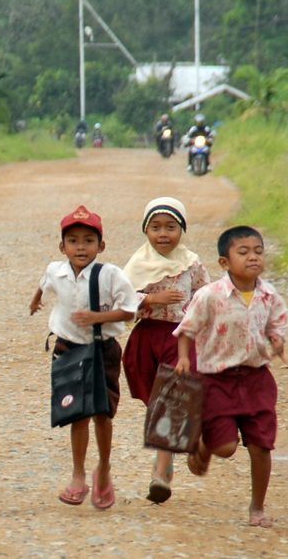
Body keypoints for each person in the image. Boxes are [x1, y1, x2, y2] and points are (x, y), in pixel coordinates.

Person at [174, 225, 288, 528]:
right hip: (217, 380)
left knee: (261, 444)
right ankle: (203, 445)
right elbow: (186, 329)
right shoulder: (209, 296)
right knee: (225, 448)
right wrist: (185, 358)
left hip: (256, 378)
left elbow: (277, 324)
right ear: (224, 262)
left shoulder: (268, 295)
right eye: (243, 252)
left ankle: (257, 508)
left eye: (258, 251)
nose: (253, 257)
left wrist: (277, 340)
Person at [29, 205, 138, 510]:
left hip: (103, 349)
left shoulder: (111, 275)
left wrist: (96, 317)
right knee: (78, 413)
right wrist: (35, 300)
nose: (81, 247)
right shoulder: (56, 270)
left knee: (103, 413)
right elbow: (44, 283)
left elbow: (129, 310)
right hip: (69, 348)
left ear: (101, 246)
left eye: (89, 240)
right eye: (73, 240)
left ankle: (103, 468)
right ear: (62, 246)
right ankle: (78, 475)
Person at [122, 197, 210, 504]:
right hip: (146, 340)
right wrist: (148, 301)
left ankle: (160, 474)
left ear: (181, 230)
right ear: (146, 231)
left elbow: (206, 296)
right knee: (155, 404)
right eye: (155, 227)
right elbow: (119, 301)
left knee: (170, 402)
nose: (163, 234)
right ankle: (176, 449)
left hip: (179, 339)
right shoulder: (136, 265)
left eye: (171, 227)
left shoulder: (192, 263)